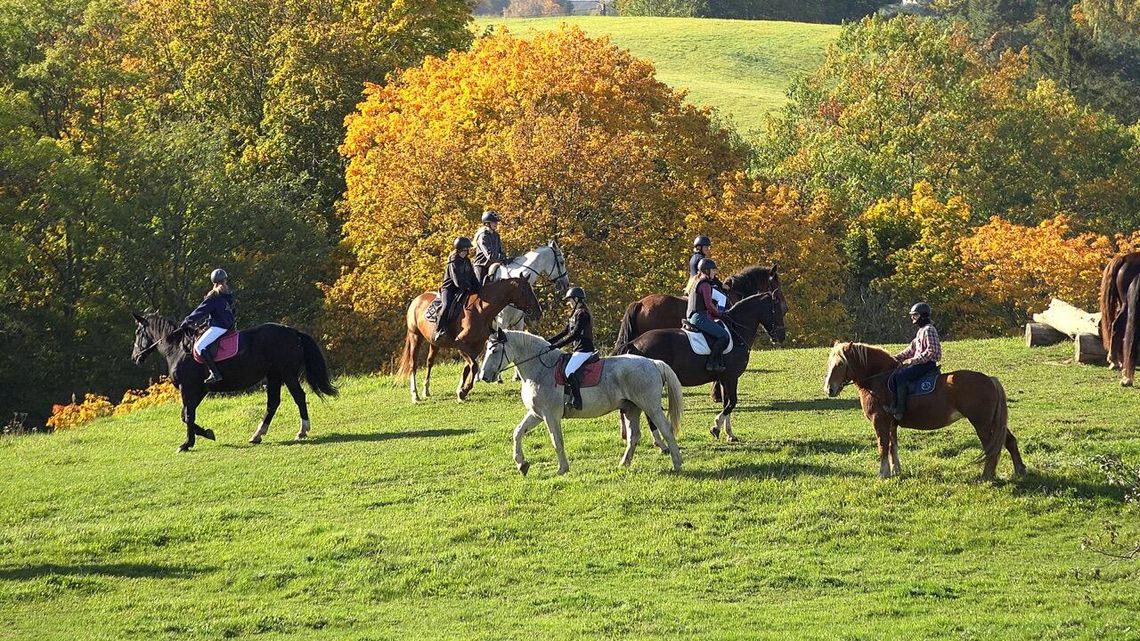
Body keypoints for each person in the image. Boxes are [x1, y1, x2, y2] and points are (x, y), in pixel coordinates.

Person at [180, 268, 236, 384]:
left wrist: (186, 321)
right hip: (229, 326)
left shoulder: (213, 296)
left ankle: (215, 373)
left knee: (199, 346)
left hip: (220, 327)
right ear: (225, 280)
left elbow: (200, 311)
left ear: (213, 282)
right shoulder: (227, 294)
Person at [889, 302, 942, 420]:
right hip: (919, 363)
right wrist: (893, 359)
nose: (912, 318)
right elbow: (910, 350)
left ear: (923, 316)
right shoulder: (920, 331)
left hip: (926, 365)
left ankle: (900, 410)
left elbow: (932, 352)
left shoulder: (929, 330)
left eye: (915, 315)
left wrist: (912, 361)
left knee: (900, 377)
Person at [546, 287, 597, 410]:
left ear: (576, 299)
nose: (569, 303)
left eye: (570, 300)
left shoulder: (582, 313)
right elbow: (565, 332)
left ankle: (577, 400)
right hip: (578, 349)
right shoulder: (575, 313)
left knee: (569, 371)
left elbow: (575, 335)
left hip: (584, 349)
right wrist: (548, 342)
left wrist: (557, 346)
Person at [686, 258, 730, 372]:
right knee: (724, 336)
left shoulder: (697, 281)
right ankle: (711, 363)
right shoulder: (705, 285)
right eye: (713, 270)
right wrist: (719, 314)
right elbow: (709, 305)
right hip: (699, 318)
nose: (714, 273)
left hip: (696, 316)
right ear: (706, 271)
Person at [434, 237, 481, 343]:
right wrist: (468, 287)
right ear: (461, 249)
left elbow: (472, 275)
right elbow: (456, 281)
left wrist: (478, 287)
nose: (468, 251)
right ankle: (439, 330)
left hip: (463, 288)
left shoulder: (467, 260)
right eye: (467, 249)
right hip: (450, 289)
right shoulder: (453, 261)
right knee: (446, 306)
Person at [473, 210, 508, 285]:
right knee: (479, 289)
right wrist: (500, 257)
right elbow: (490, 256)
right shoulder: (483, 236)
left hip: (494, 265)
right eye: (493, 222)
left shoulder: (496, 235)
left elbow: (499, 251)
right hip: (482, 266)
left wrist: (505, 258)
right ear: (487, 223)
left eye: (496, 222)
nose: (496, 224)